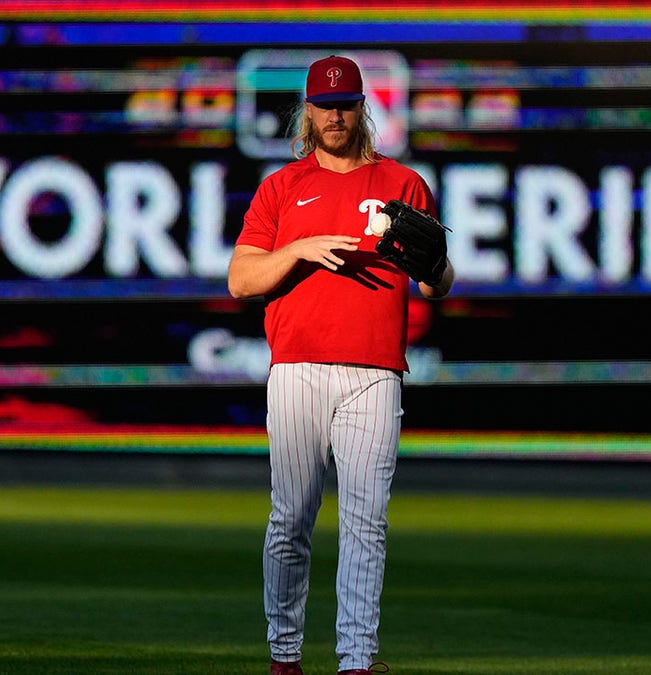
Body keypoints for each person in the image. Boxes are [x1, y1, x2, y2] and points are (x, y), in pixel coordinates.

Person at [227, 55, 454, 675]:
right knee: (290, 518)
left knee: (366, 523)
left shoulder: (403, 183)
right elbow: (241, 278)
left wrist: (433, 263)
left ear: (362, 108)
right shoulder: (282, 187)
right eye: (325, 105)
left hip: (375, 367)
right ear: (308, 112)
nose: (336, 115)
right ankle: (285, 652)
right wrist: (299, 248)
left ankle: (356, 659)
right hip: (297, 365)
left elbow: (436, 285)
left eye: (346, 104)